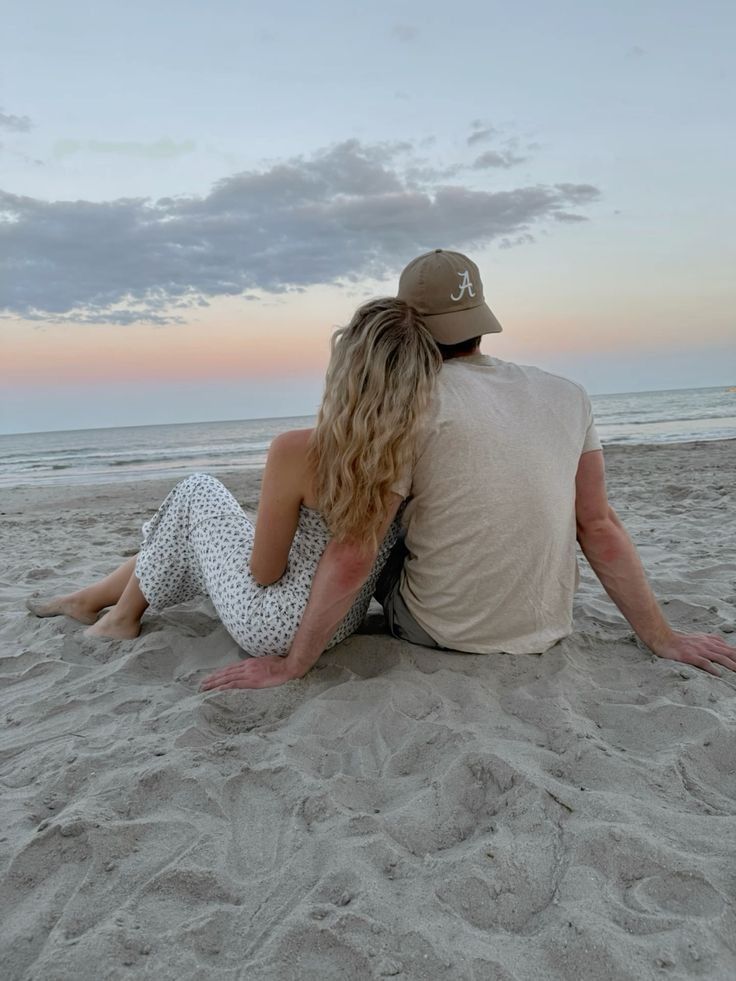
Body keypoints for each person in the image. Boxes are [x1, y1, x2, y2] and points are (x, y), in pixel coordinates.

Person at [201, 248, 735, 692]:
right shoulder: (567, 394)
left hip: (437, 630)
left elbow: (355, 552)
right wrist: (664, 638)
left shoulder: (405, 405)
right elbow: (597, 526)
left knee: (363, 522)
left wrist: (293, 664)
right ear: (480, 320)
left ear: (404, 323)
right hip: (545, 628)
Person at [26, 297, 442, 681]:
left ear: (346, 371)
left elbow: (265, 572)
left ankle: (120, 618)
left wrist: (293, 664)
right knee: (198, 531)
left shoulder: (299, 451)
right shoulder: (410, 453)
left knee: (196, 491)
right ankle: (86, 600)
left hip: (273, 624)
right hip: (340, 619)